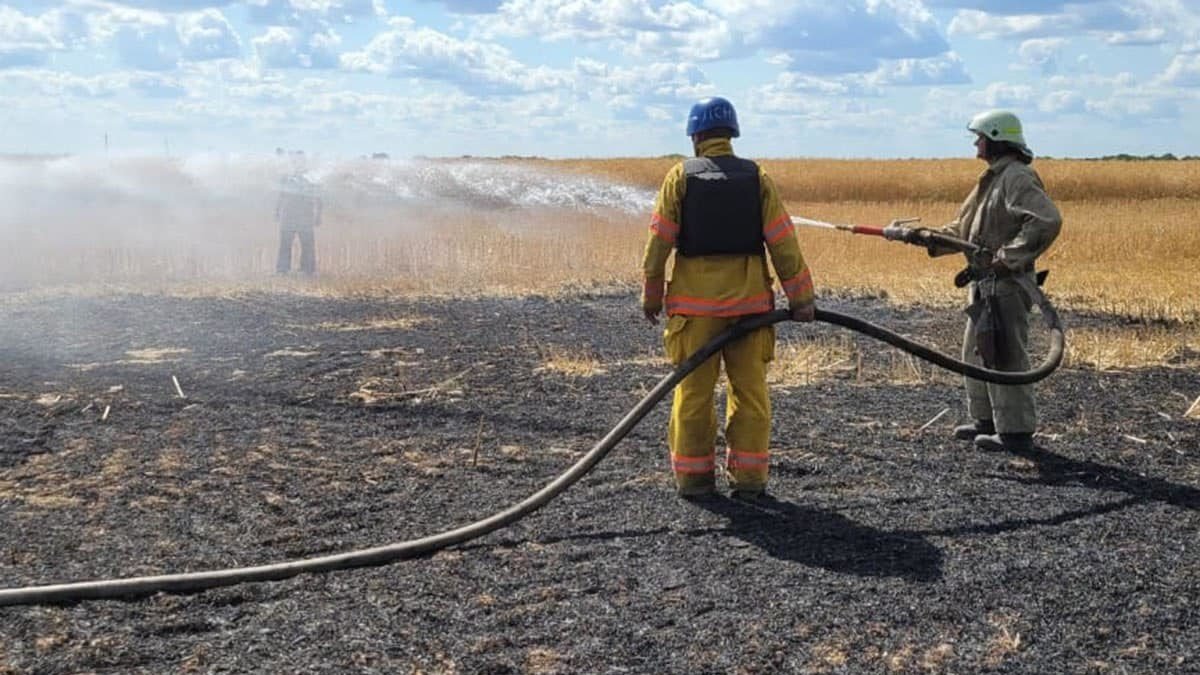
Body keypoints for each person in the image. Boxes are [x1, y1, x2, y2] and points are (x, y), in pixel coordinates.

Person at [642, 96, 817, 500]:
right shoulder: (758, 178)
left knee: (693, 396)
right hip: (750, 313)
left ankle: (694, 481)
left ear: (695, 136)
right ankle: (750, 482)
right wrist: (801, 300)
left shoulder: (679, 178)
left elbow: (658, 244)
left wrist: (651, 296)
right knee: (751, 395)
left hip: (694, 314)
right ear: (731, 133)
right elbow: (783, 243)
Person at [927, 110, 1062, 453]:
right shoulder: (992, 179)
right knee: (976, 353)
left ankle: (1015, 432)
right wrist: (923, 236)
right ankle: (986, 422)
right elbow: (962, 231)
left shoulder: (1017, 178)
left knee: (1005, 356)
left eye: (980, 137)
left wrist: (1010, 257)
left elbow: (1046, 221)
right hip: (984, 285)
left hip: (1006, 285)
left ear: (995, 137)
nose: (976, 143)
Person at [275, 157, 322, 276]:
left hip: (305, 217)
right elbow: (281, 196)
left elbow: (319, 198)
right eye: (295, 163)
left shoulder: (311, 179)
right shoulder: (286, 179)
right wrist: (277, 212)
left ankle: (308, 270)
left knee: (307, 244)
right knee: (285, 243)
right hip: (289, 216)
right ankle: (282, 270)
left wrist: (318, 215)